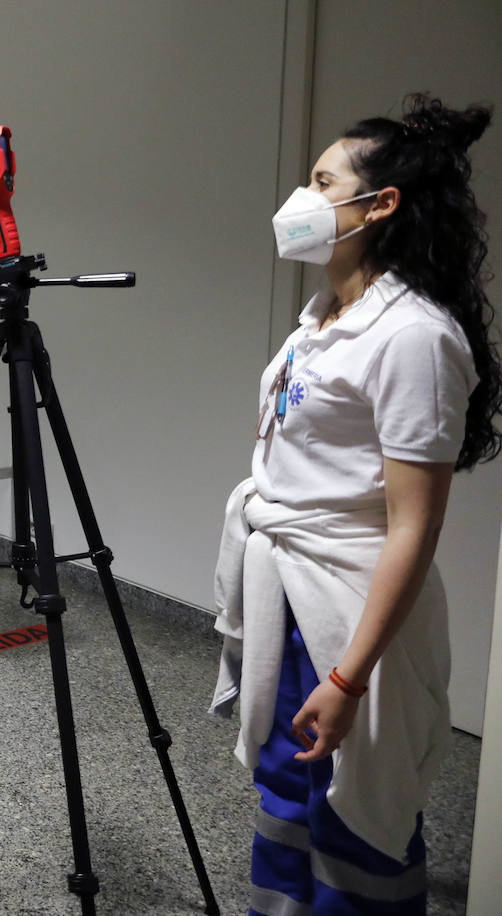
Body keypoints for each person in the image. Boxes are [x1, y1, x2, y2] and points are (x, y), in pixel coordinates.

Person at [210, 94, 499, 915]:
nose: (301, 200)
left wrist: (347, 675)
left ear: (379, 206)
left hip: (352, 605)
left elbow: (415, 524)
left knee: (356, 804)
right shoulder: (319, 319)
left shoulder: (415, 338)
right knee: (287, 782)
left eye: (321, 181)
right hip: (291, 590)